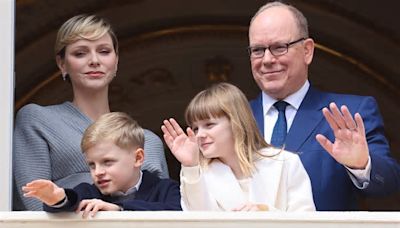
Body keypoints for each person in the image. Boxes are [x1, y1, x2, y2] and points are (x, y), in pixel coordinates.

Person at [248, 1, 400, 210]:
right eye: (257, 50)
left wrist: (361, 164)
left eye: (279, 48)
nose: (266, 59)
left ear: (307, 51)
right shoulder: (229, 119)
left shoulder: (348, 114)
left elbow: (389, 183)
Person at [13, 14, 169, 211]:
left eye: (104, 51)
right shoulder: (37, 120)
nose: (94, 60)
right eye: (80, 53)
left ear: (116, 60)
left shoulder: (149, 142)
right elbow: (35, 206)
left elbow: (166, 213)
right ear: (62, 64)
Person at [161, 82, 315, 211]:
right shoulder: (197, 174)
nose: (199, 134)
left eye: (209, 125)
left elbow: (308, 222)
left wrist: (266, 213)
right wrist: (191, 165)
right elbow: (198, 220)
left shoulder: (287, 163)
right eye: (195, 128)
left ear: (236, 122)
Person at [22, 112, 181, 217]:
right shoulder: (88, 191)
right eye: (92, 165)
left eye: (107, 162)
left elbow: (177, 213)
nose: (98, 172)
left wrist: (120, 209)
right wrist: (58, 198)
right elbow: (70, 203)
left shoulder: (167, 189)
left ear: (138, 158)